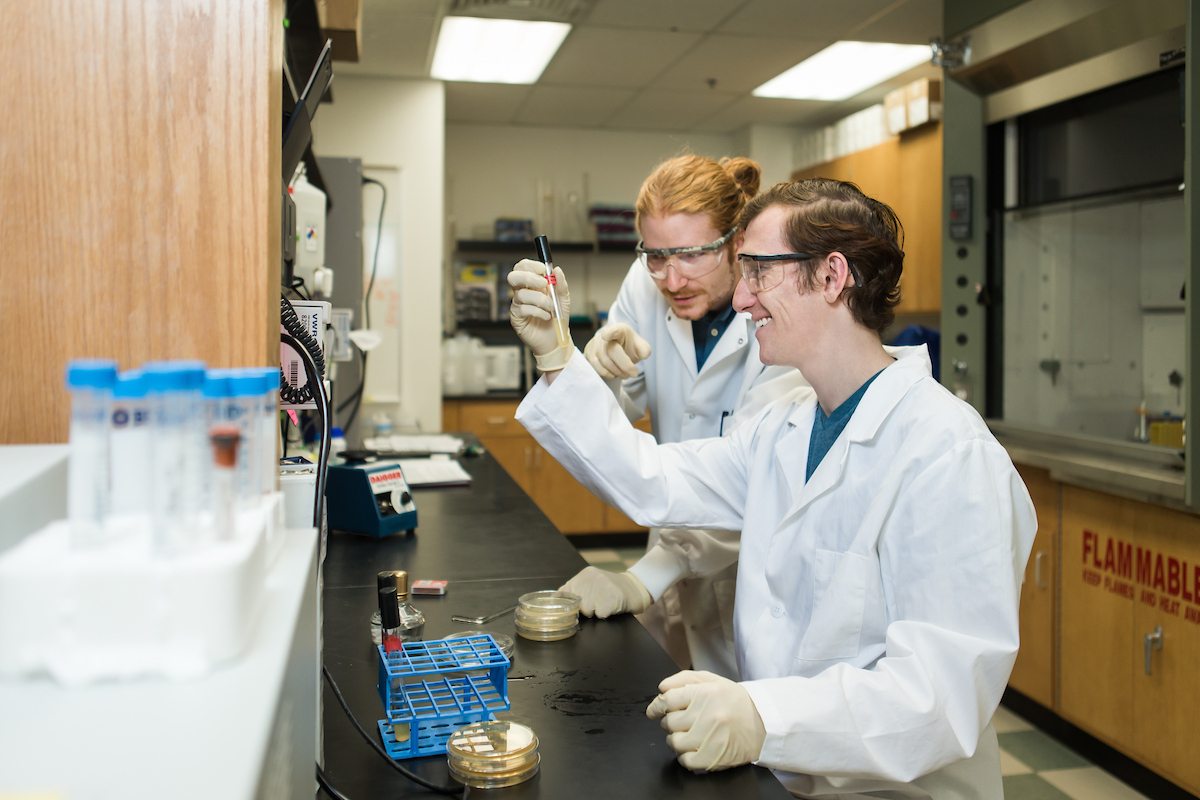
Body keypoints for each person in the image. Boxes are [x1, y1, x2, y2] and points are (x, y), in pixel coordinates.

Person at [506, 178, 1036, 799]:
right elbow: (653, 480)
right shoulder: (782, 425)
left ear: (832, 276)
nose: (744, 299)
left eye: (759, 271)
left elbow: (940, 700)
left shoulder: (948, 455)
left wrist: (765, 718)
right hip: (781, 777)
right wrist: (557, 358)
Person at [564, 154, 811, 679]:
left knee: (751, 726)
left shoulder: (779, 314)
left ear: (735, 242)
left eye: (693, 255)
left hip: (754, 567)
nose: (671, 278)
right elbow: (617, 413)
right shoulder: (647, 280)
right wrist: (600, 372)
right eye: (655, 255)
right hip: (670, 545)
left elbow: (753, 478)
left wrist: (646, 577)